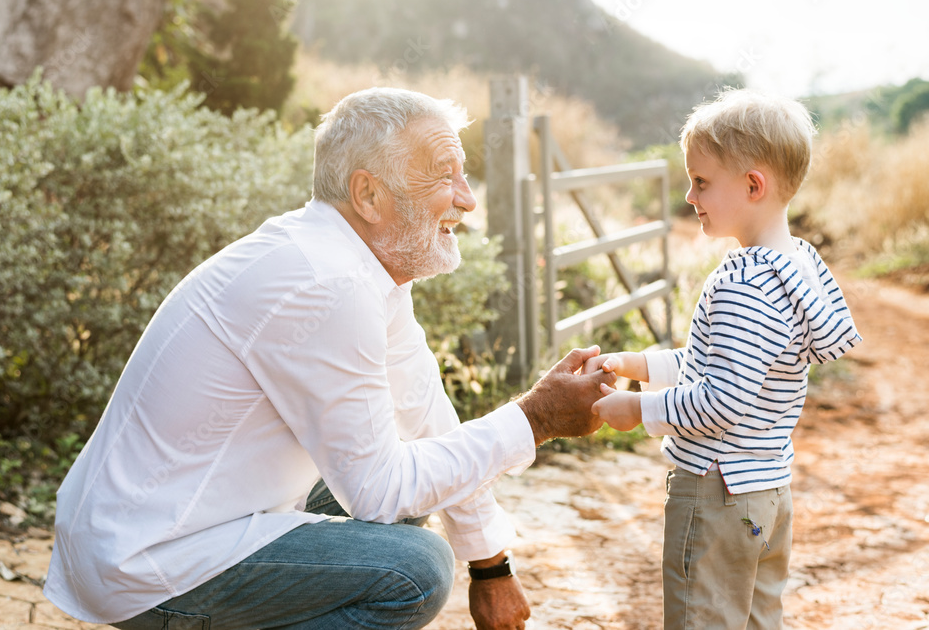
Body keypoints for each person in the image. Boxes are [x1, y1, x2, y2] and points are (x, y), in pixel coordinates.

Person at [43, 87, 614, 630]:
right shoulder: (327, 282)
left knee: (419, 482)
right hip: (148, 559)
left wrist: (492, 566)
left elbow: (424, 412)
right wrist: (536, 418)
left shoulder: (357, 263)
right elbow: (379, 490)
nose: (467, 197)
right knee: (414, 570)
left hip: (180, 517)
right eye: (445, 175)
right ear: (369, 195)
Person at [586, 88, 861, 628]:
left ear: (753, 185)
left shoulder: (742, 283)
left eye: (702, 181)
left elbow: (723, 398)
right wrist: (642, 365)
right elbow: (728, 364)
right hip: (767, 493)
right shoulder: (795, 267)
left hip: (716, 492)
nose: (690, 195)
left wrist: (638, 409)